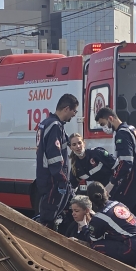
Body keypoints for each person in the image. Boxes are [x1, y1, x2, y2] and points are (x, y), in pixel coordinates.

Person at [95, 106, 136, 222]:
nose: (104, 128)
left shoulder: (121, 134)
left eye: (103, 124)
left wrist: (112, 182)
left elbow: (126, 162)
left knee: (118, 208)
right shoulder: (131, 128)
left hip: (135, 176)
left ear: (110, 118)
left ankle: (121, 237)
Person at [71, 181, 136, 266]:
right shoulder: (118, 203)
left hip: (132, 247)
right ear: (106, 193)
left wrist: (84, 226)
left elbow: (92, 240)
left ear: (91, 200)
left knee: (96, 246)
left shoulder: (98, 218)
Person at [35, 93, 78, 229]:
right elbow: (54, 155)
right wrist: (62, 177)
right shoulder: (55, 126)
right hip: (53, 179)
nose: (74, 114)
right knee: (48, 218)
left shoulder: (46, 123)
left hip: (46, 177)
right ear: (66, 108)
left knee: (51, 214)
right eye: (74, 111)